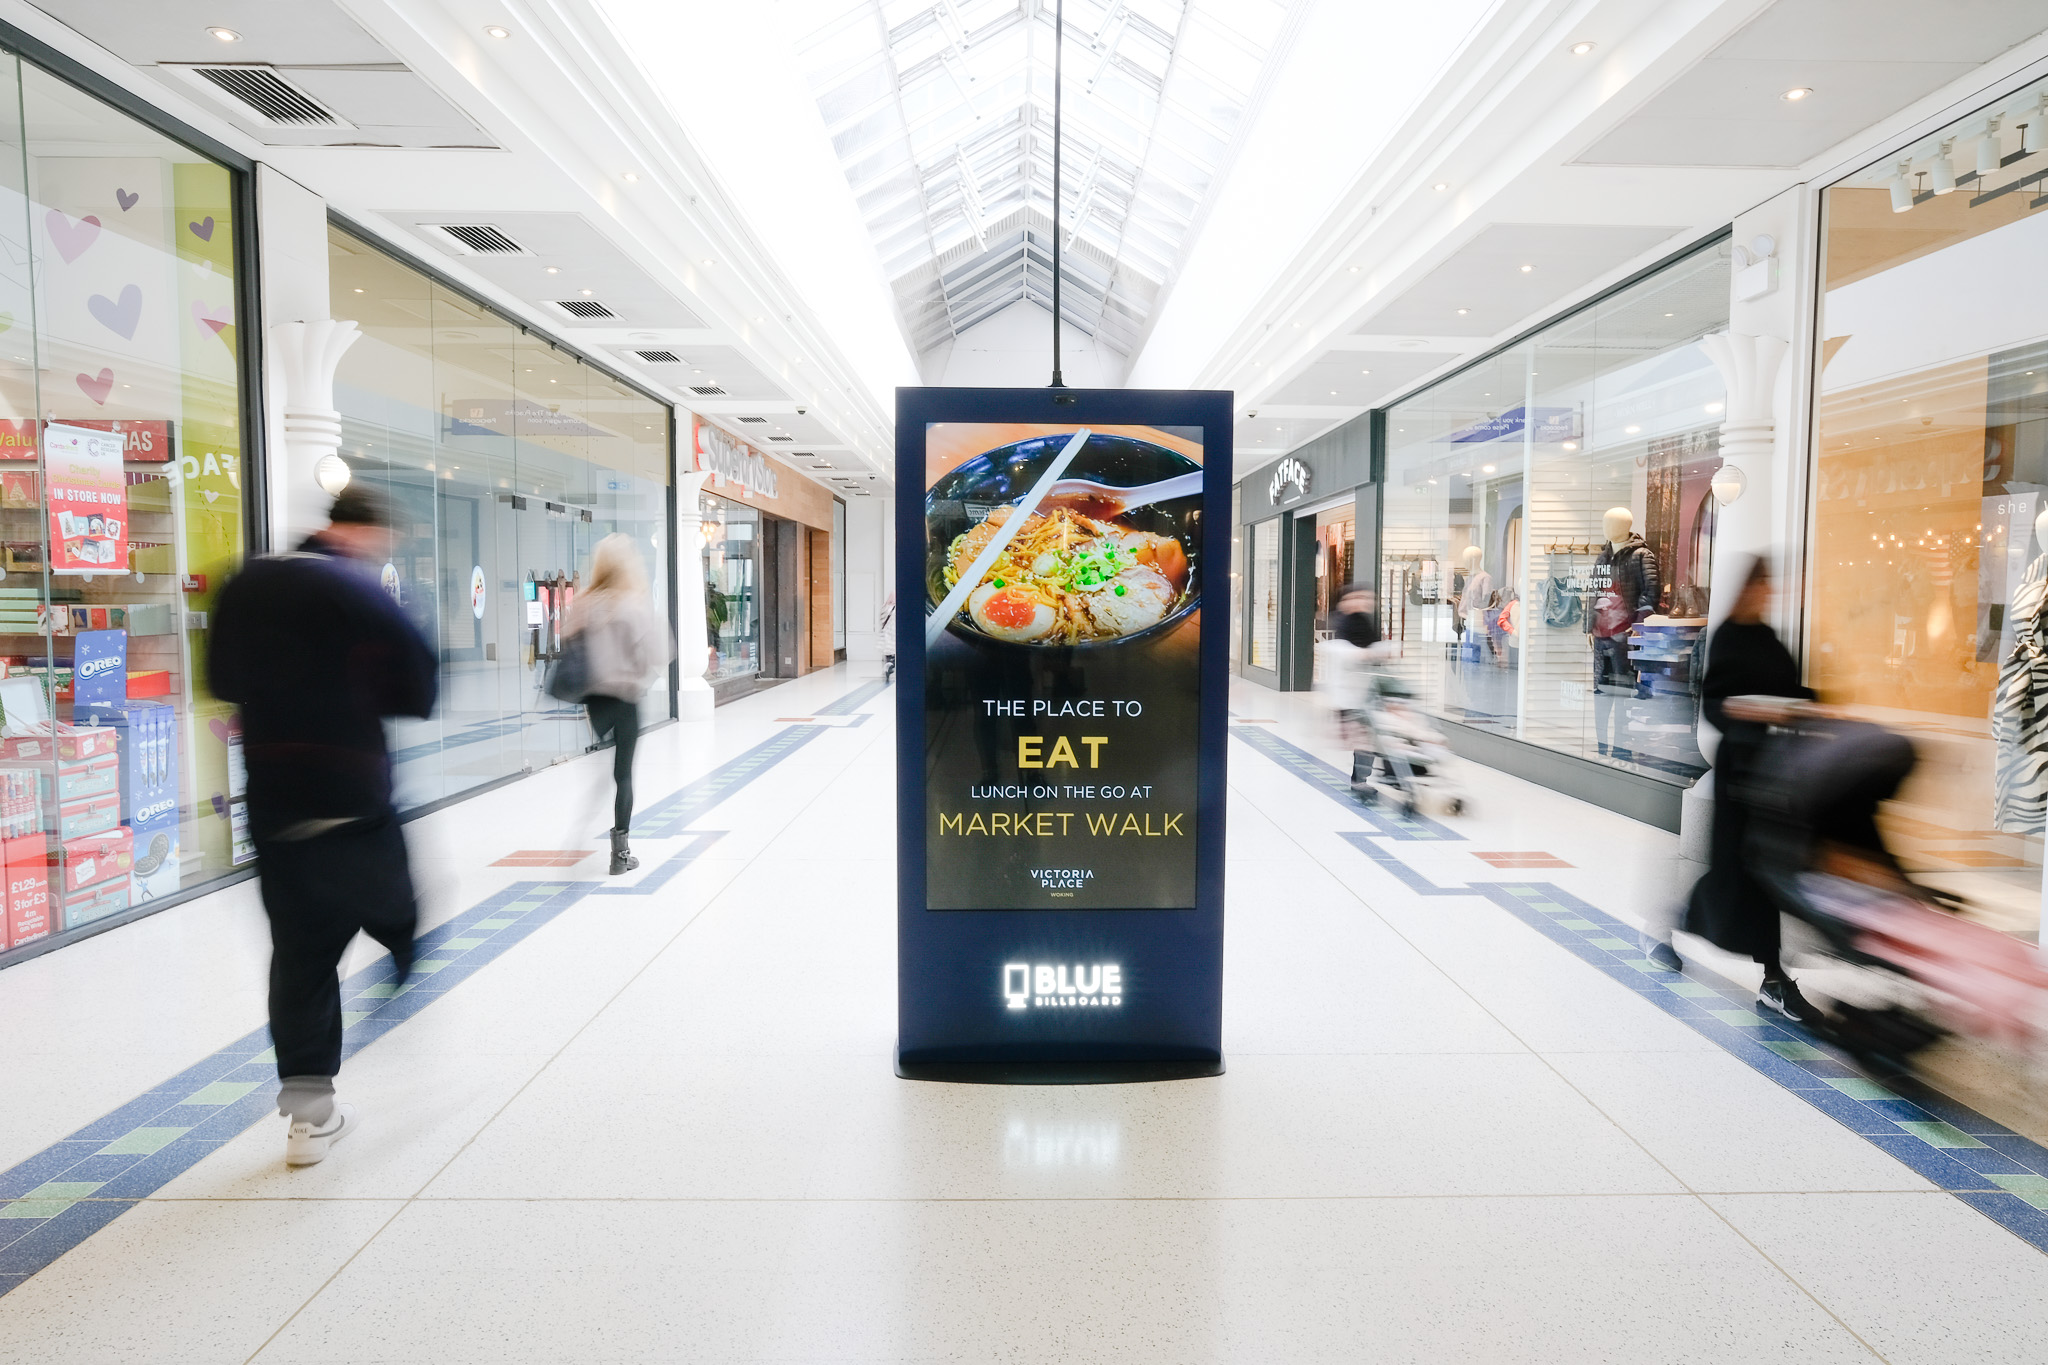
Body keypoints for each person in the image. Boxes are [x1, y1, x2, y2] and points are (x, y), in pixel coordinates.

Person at [210, 485, 437, 1166]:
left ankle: (309, 1113)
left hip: (277, 802)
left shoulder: (246, 582)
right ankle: (398, 946)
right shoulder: (359, 591)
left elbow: (220, 677)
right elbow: (421, 685)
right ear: (366, 533)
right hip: (352, 792)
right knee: (392, 896)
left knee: (300, 956)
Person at [1678, 557, 1820, 1023]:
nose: (1768, 593)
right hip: (1740, 776)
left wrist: (1815, 706)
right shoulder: (1728, 637)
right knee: (1738, 874)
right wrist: (1753, 712)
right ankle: (1770, 976)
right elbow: (1715, 705)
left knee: (1752, 875)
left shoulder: (1766, 637)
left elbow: (1786, 689)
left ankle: (1771, 975)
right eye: (1762, 585)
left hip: (1770, 775)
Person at [565, 533, 666, 875]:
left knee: (600, 774)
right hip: (625, 697)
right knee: (623, 775)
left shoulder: (583, 601)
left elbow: (569, 643)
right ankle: (619, 855)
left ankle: (578, 833)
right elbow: (659, 653)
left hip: (595, 701)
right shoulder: (634, 604)